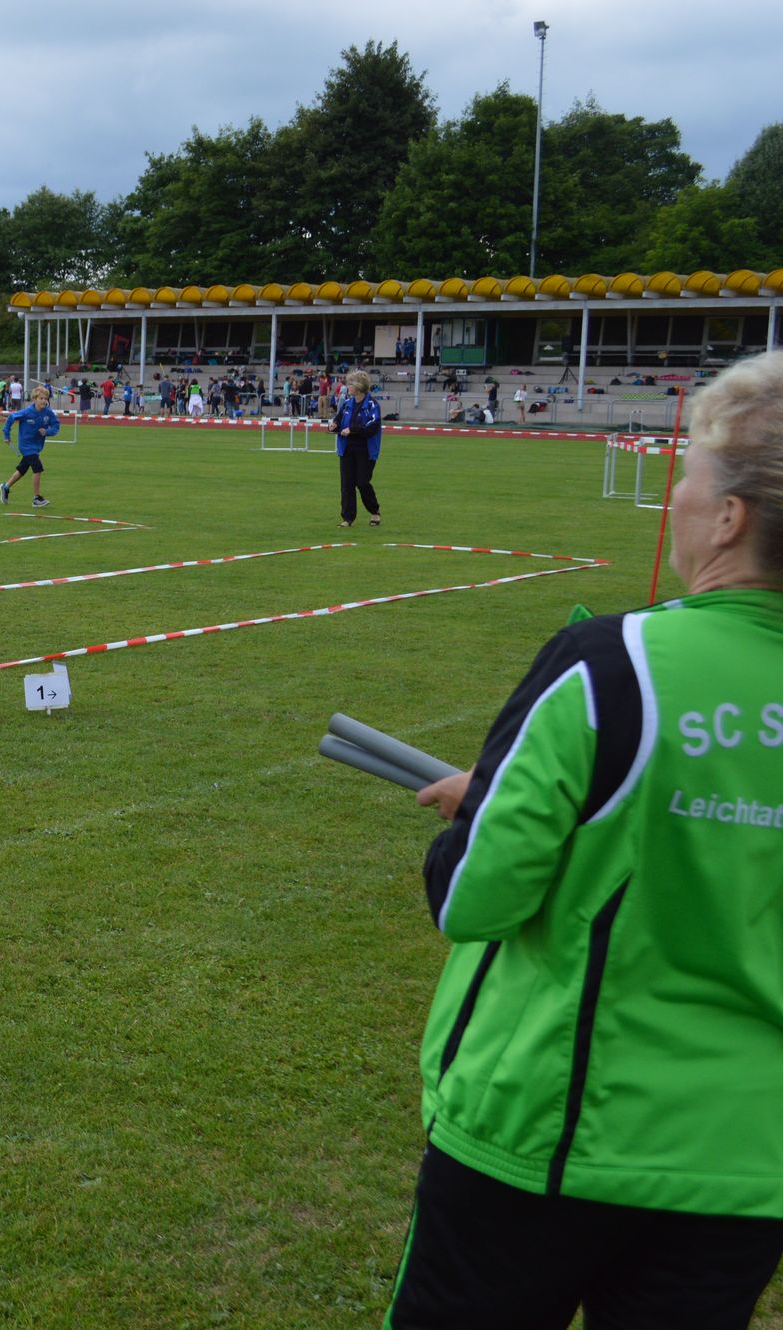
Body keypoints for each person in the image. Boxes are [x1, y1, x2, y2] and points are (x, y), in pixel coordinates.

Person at [385, 350, 783, 1328]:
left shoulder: (611, 665)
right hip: (744, 1165)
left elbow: (474, 897)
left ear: (729, 518)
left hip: (547, 1135)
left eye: (687, 475)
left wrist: (481, 812)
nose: (674, 497)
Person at [332, 368, 382, 528]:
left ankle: (374, 511)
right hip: (347, 449)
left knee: (362, 482)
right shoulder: (347, 404)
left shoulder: (372, 405)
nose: (348, 387)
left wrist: (353, 430)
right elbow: (338, 420)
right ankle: (347, 518)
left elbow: (372, 426)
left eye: (351, 384)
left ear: (359, 387)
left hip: (365, 451)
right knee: (346, 484)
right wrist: (334, 425)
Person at [0, 385, 59, 508]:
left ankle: (6, 487)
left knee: (22, 469)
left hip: (37, 447)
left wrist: (47, 431)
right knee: (38, 468)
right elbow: (11, 418)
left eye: (45, 398)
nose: (44, 401)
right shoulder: (27, 412)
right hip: (26, 446)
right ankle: (36, 498)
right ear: (34, 399)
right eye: (41, 398)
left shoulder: (48, 412)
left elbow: (56, 426)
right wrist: (6, 435)